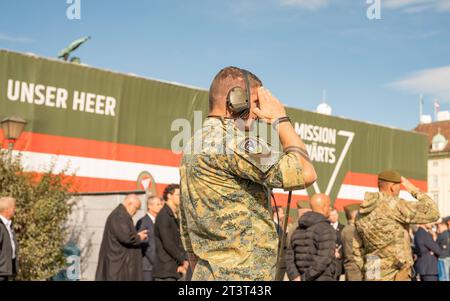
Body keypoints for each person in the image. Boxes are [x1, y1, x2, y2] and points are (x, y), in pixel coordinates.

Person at [179, 67, 317, 280]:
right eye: (255, 103)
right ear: (235, 100)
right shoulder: (238, 143)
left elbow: (187, 225)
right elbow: (306, 172)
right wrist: (281, 119)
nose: (260, 113)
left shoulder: (193, 144)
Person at [353, 170, 440, 281]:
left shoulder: (361, 211)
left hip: (372, 271)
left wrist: (367, 268)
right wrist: (412, 189)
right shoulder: (395, 206)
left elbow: (356, 248)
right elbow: (433, 212)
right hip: (395, 273)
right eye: (399, 187)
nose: (400, 189)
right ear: (393, 187)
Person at [285, 194, 338, 281]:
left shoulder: (298, 228)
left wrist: (295, 277)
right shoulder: (327, 229)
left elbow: (289, 256)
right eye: (329, 205)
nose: (330, 208)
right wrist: (303, 278)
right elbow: (324, 259)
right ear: (324, 207)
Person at [95, 194, 148, 281]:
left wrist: (137, 235)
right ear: (129, 203)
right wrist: (139, 237)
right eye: (136, 208)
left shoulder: (121, 214)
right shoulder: (119, 215)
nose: (136, 212)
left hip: (119, 264)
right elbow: (126, 238)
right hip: (118, 266)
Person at [153, 184, 189, 281]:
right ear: (169, 196)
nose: (181, 197)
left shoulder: (173, 215)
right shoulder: (163, 216)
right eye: (178, 195)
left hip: (173, 269)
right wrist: (183, 260)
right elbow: (168, 243)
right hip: (165, 271)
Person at [136, 195, 164, 281]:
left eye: (161, 204)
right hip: (147, 266)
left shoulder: (158, 221)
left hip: (156, 265)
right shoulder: (144, 222)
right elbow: (145, 245)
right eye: (158, 204)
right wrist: (157, 262)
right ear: (150, 206)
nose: (161, 206)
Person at [341, 204, 363, 281]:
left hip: (353, 268)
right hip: (355, 269)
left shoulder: (347, 229)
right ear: (354, 215)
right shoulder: (351, 230)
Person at [0, 197, 18, 281]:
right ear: (7, 209)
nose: (15, 210)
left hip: (8, 270)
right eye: (14, 208)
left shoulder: (8, 225)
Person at [329, 207, 344, 279]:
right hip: (328, 261)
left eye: (335, 214)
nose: (334, 217)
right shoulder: (325, 228)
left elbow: (345, 244)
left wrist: (340, 253)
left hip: (338, 261)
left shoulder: (343, 228)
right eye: (331, 215)